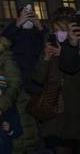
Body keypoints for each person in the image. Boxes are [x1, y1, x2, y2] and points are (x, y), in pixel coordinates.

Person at [31, 9, 80, 154]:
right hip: (55, 112)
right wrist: (45, 58)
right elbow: (38, 78)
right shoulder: (51, 44)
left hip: (74, 113)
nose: (58, 33)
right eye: (55, 29)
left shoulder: (76, 47)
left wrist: (66, 54)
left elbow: (72, 71)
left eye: (61, 29)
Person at [0, 4, 47, 153]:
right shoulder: (14, 31)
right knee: (22, 122)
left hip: (37, 85)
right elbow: (2, 43)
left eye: (31, 14)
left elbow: (49, 43)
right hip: (19, 86)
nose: (28, 16)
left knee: (39, 124)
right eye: (24, 14)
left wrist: (40, 26)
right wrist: (17, 24)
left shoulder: (38, 33)